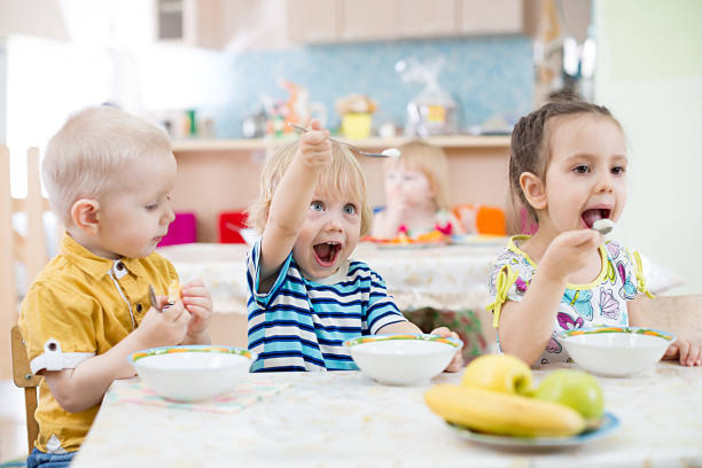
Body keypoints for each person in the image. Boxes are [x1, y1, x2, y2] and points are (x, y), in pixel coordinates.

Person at [18, 106, 214, 467]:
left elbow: (180, 362)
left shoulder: (157, 268)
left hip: (152, 434)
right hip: (81, 451)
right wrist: (144, 343)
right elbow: (72, 395)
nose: (170, 216)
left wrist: (195, 334)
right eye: (152, 204)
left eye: (168, 198)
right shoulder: (55, 291)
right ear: (90, 216)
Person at [486, 98, 702, 367]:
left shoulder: (619, 263)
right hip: (537, 403)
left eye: (616, 170)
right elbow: (517, 355)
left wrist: (665, 348)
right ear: (536, 190)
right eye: (583, 169)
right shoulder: (516, 268)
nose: (606, 184)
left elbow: (640, 337)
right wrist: (553, 274)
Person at [246, 120, 462, 372]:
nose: (336, 224)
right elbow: (283, 226)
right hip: (278, 408)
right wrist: (306, 166)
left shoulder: (364, 280)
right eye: (316, 206)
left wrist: (429, 347)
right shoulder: (273, 270)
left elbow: (394, 328)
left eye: (349, 209)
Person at [372, 140, 463, 239]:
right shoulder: (382, 219)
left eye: (407, 178)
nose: (396, 184)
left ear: (432, 188)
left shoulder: (445, 219)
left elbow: (464, 248)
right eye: (391, 177)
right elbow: (380, 248)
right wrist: (393, 221)